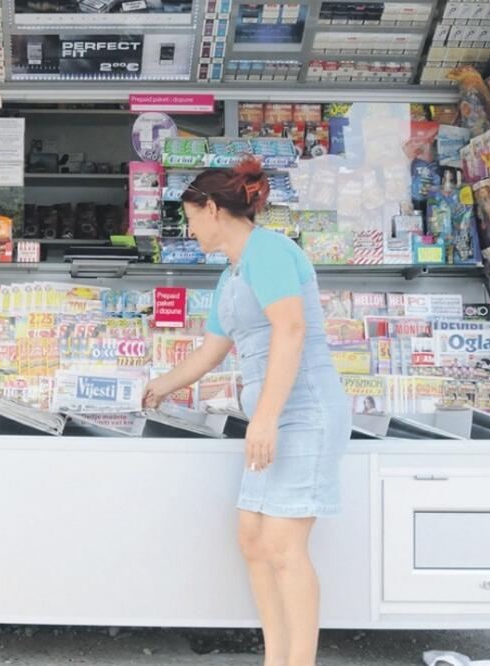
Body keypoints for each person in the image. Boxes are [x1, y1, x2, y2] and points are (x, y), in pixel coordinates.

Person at [143, 157, 352, 666]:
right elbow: (212, 350)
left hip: (302, 414)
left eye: (191, 217)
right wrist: (159, 387)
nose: (189, 229)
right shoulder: (232, 273)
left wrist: (264, 418)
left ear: (212, 209)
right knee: (254, 540)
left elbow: (291, 330)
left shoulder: (270, 251)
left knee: (283, 546)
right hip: (273, 417)